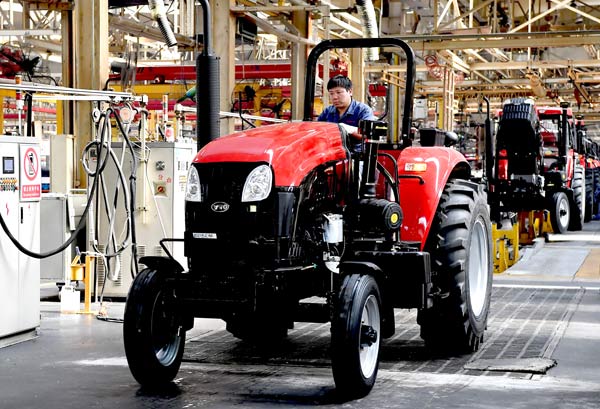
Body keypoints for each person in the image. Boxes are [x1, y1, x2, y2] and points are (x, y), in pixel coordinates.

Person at [317, 75, 376, 147]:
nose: (335, 97)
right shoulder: (327, 111)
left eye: (338, 92)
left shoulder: (363, 110)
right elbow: (317, 131)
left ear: (350, 92)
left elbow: (368, 135)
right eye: (331, 93)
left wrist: (347, 129)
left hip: (355, 154)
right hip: (332, 151)